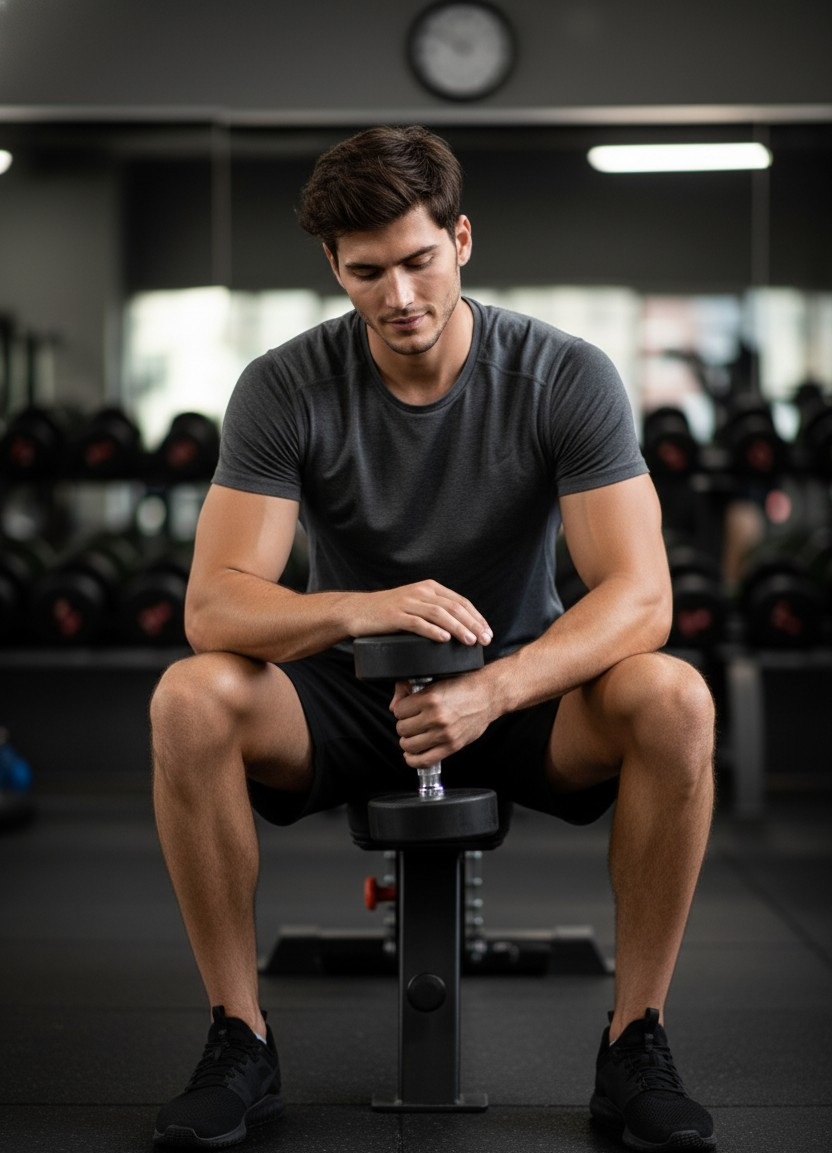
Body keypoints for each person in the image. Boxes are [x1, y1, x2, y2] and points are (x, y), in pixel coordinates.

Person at [150, 125, 717, 1152]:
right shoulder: (285, 387)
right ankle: (239, 1034)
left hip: (523, 693)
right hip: (346, 699)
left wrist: (495, 688)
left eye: (418, 261)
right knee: (188, 697)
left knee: (674, 695)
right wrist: (360, 607)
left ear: (460, 239)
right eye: (367, 272)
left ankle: (637, 1037)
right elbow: (215, 607)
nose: (399, 297)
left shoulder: (561, 376)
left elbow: (640, 599)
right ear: (334, 267)